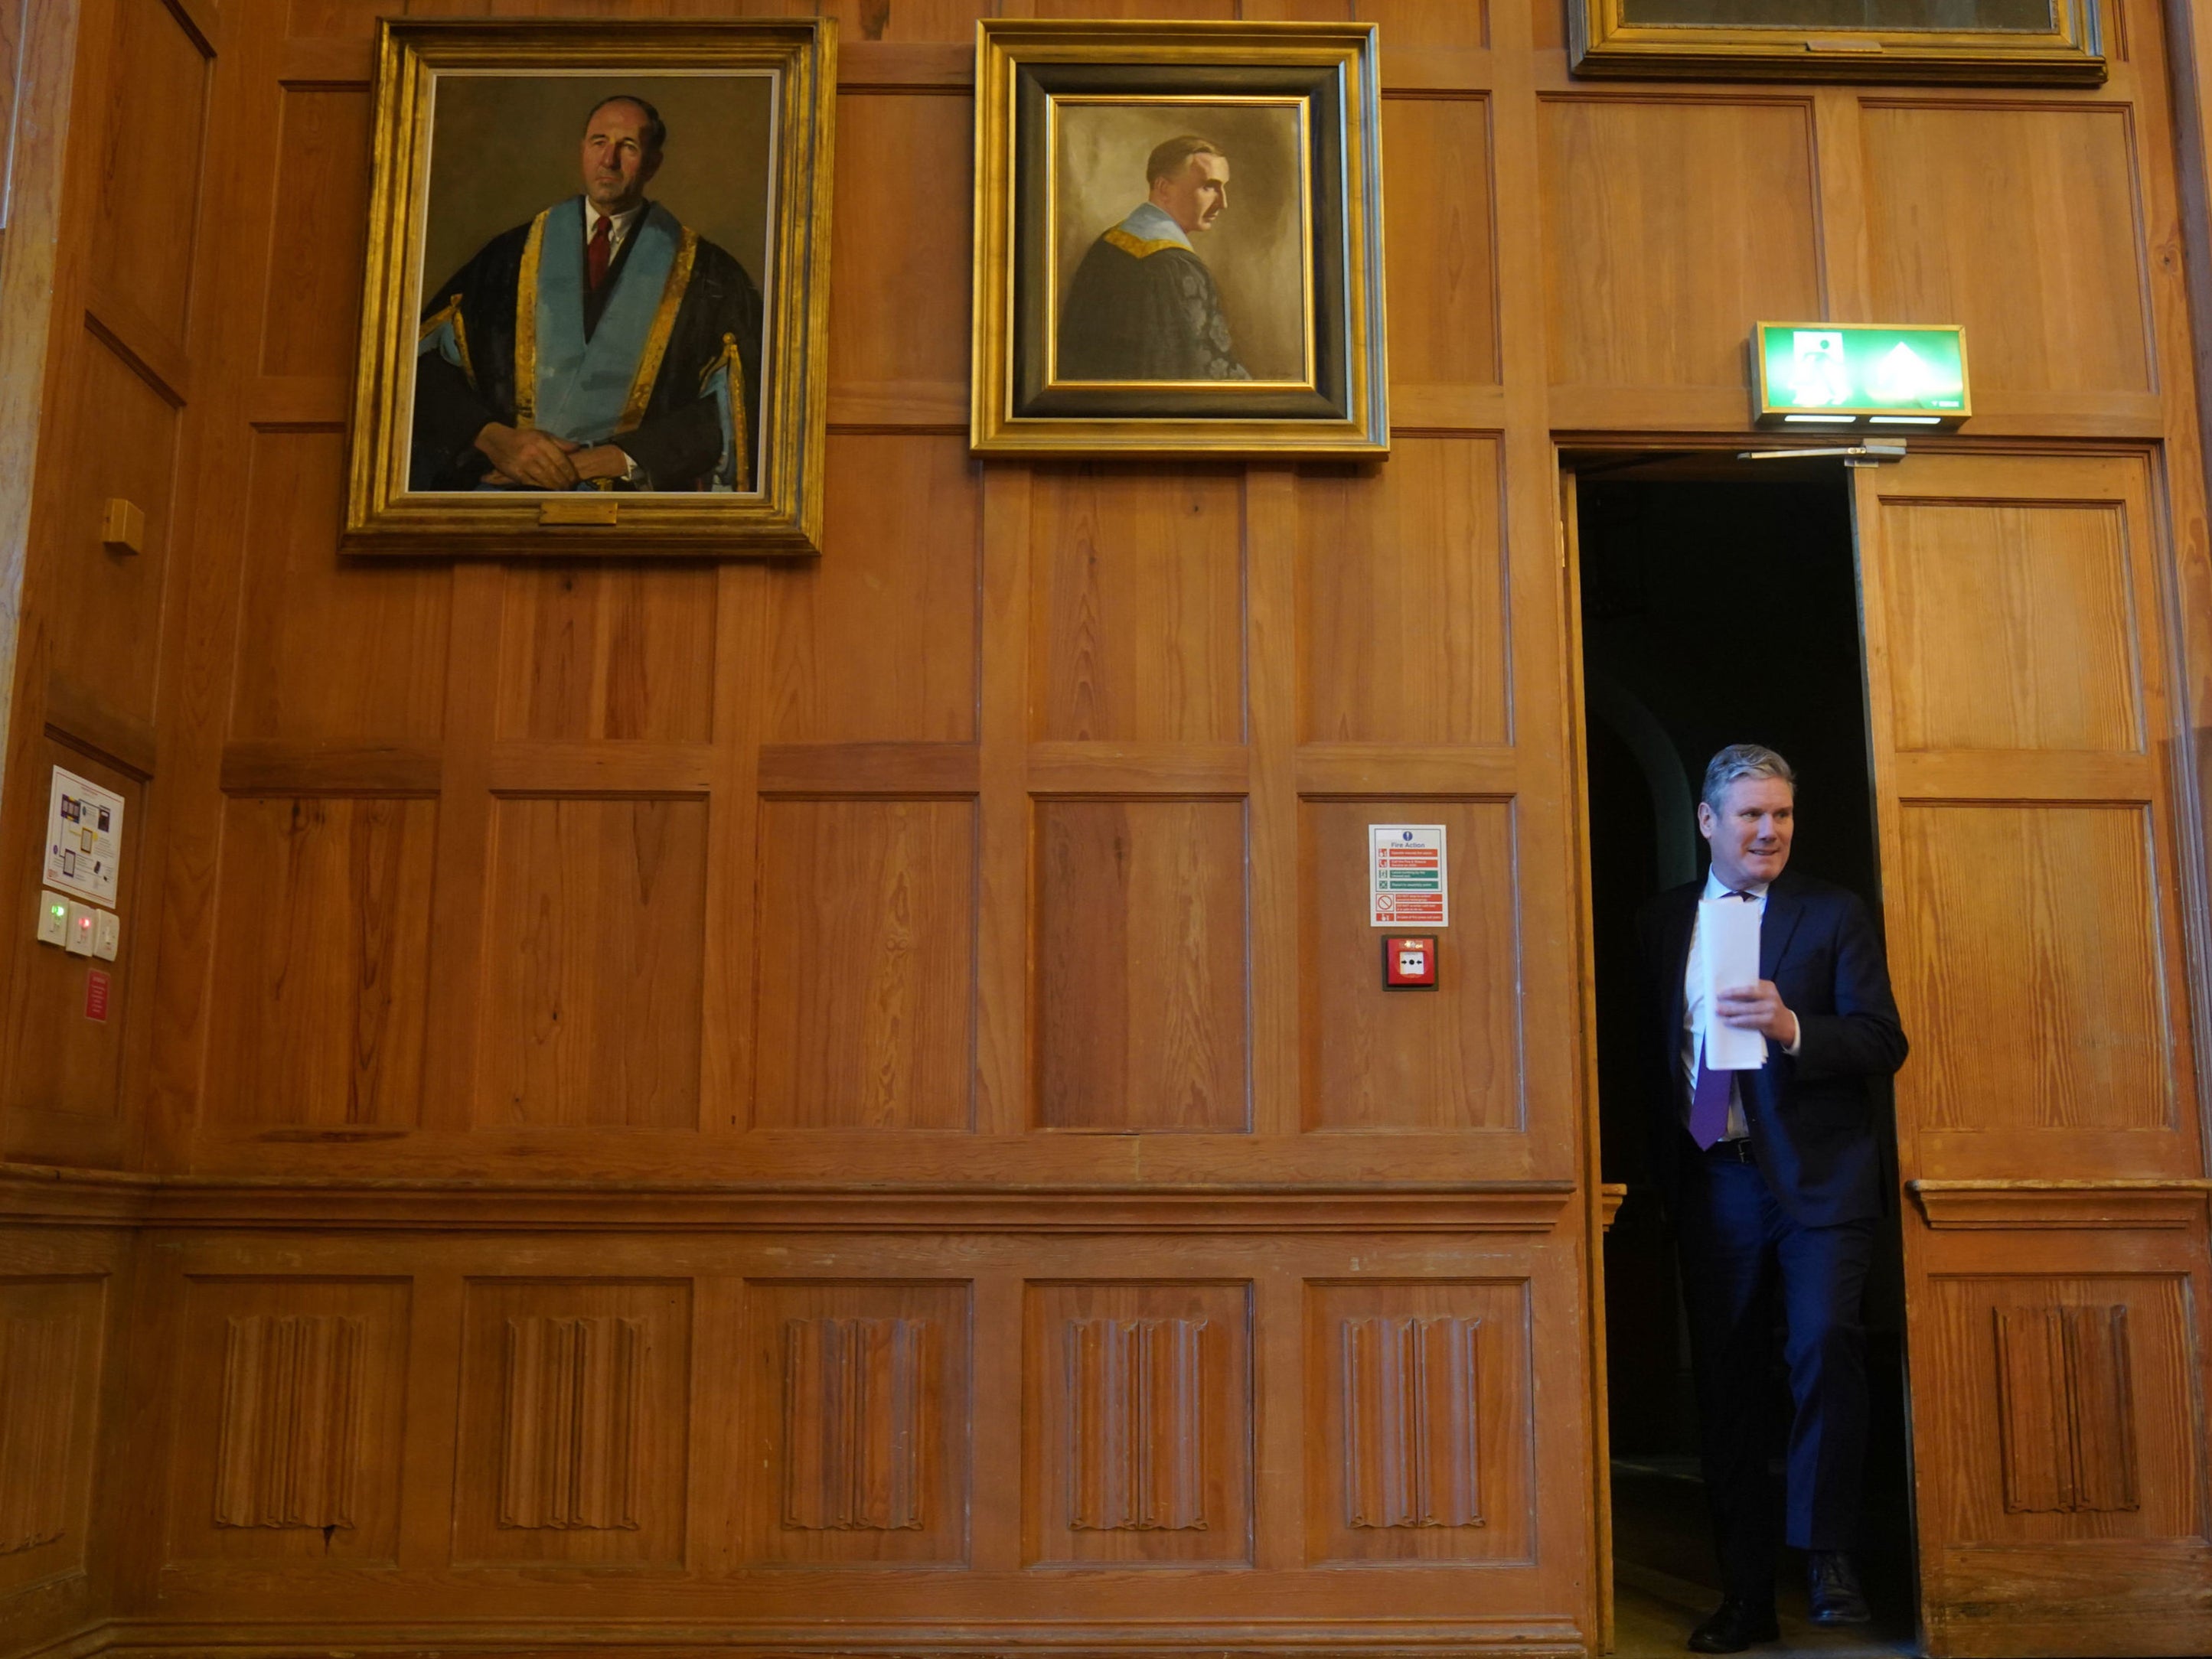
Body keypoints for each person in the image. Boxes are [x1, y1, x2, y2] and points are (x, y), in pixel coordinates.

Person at [1636, 745, 1908, 1654]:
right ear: (1709, 821)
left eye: (1781, 815)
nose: (1768, 830)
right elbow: (1634, 1056)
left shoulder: (1831, 913)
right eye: (1750, 814)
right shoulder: (1659, 922)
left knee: (1824, 1344)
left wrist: (1794, 1026)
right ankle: (1744, 1592)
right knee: (1728, 1389)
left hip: (1820, 1184)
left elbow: (1882, 1038)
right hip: (1716, 1180)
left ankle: (1827, 1548)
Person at [411, 94, 762, 494]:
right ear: (582, 150)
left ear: (653, 163)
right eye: (599, 142)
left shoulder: (706, 273)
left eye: (627, 146)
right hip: (504, 499)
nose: (608, 160)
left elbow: (737, 405)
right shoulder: (507, 258)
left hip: (639, 510)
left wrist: (615, 459)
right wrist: (494, 438)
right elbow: (421, 368)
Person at [1057, 134, 1249, 383]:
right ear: (1163, 188)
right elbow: (1208, 366)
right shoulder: (1176, 266)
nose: (1223, 202)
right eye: (1209, 187)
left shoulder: (1108, 244)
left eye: (1223, 187)